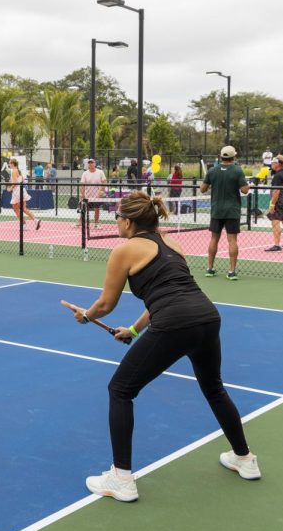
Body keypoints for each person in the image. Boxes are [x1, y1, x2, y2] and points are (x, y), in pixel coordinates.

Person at [64, 191, 261, 502]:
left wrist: (86, 316)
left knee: (120, 390)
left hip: (175, 323)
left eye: (118, 216)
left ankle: (122, 479)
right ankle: (245, 459)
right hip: (207, 318)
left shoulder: (124, 250)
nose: (116, 221)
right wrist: (132, 330)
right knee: (214, 388)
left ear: (127, 221)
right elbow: (166, 293)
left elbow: (104, 304)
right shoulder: (171, 243)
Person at [200, 145, 251, 280]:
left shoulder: (212, 170)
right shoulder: (237, 170)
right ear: (234, 156)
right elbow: (245, 190)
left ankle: (210, 269)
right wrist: (248, 184)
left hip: (216, 209)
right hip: (232, 211)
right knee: (232, 240)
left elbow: (202, 189)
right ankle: (231, 271)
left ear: (221, 156)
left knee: (214, 238)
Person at [264, 155, 283, 252]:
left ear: (277, 164)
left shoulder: (277, 176)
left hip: (279, 202)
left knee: (275, 222)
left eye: (273, 162)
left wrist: (272, 204)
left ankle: (277, 245)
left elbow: (276, 191)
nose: (272, 164)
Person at [7, 158, 40, 229]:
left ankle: (24, 224)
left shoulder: (14, 171)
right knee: (23, 208)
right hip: (21, 190)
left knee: (16, 209)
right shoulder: (18, 171)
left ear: (13, 164)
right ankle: (35, 220)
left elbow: (15, 182)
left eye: (9, 163)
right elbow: (21, 180)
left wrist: (10, 188)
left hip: (17, 191)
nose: (9, 164)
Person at [79, 158, 106, 228]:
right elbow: (82, 185)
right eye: (89, 163)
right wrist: (82, 194)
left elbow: (104, 181)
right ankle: (80, 222)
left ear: (95, 164)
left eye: (92, 163)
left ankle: (96, 223)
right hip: (88, 195)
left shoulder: (100, 172)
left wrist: (102, 190)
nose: (91, 164)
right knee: (83, 209)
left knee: (97, 209)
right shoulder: (85, 173)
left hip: (97, 196)